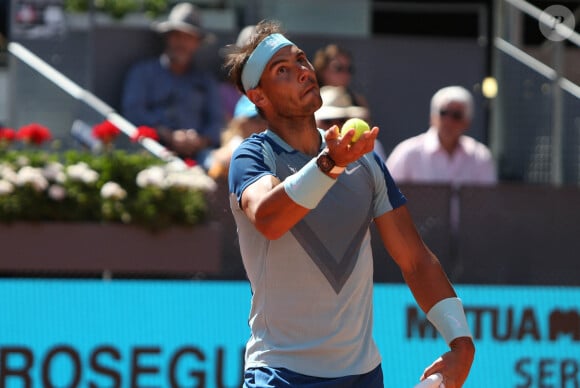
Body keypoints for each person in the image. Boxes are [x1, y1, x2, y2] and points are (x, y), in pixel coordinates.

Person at [224, 20, 474, 388]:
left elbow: (415, 260)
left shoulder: (363, 158)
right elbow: (269, 219)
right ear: (258, 97)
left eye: (302, 60)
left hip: (363, 377)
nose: (304, 72)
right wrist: (331, 164)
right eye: (283, 71)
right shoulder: (253, 155)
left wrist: (461, 344)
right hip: (280, 376)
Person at [121, 2, 223, 167]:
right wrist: (167, 134)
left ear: (197, 43)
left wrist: (199, 141)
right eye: (177, 35)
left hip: (198, 156)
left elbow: (216, 122)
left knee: (218, 166)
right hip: (152, 149)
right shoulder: (142, 72)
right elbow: (133, 112)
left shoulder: (206, 80)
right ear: (167, 37)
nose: (182, 42)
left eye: (189, 37)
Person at [386, 85, 497, 185]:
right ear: (432, 117)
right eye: (443, 113)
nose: (448, 121)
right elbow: (386, 195)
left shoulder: (480, 157)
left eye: (456, 115)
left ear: (467, 122)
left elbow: (487, 202)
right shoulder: (408, 152)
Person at [315, 84, 387, 161]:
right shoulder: (305, 151)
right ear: (315, 123)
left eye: (342, 120)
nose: (335, 126)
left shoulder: (373, 147)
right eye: (327, 121)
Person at [206, 94, 266, 180]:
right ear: (240, 123)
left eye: (267, 119)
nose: (264, 125)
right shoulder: (235, 147)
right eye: (257, 119)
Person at [313, 43, 369, 110]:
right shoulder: (308, 98)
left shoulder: (358, 102)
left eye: (349, 69)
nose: (345, 74)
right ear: (322, 69)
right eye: (338, 68)